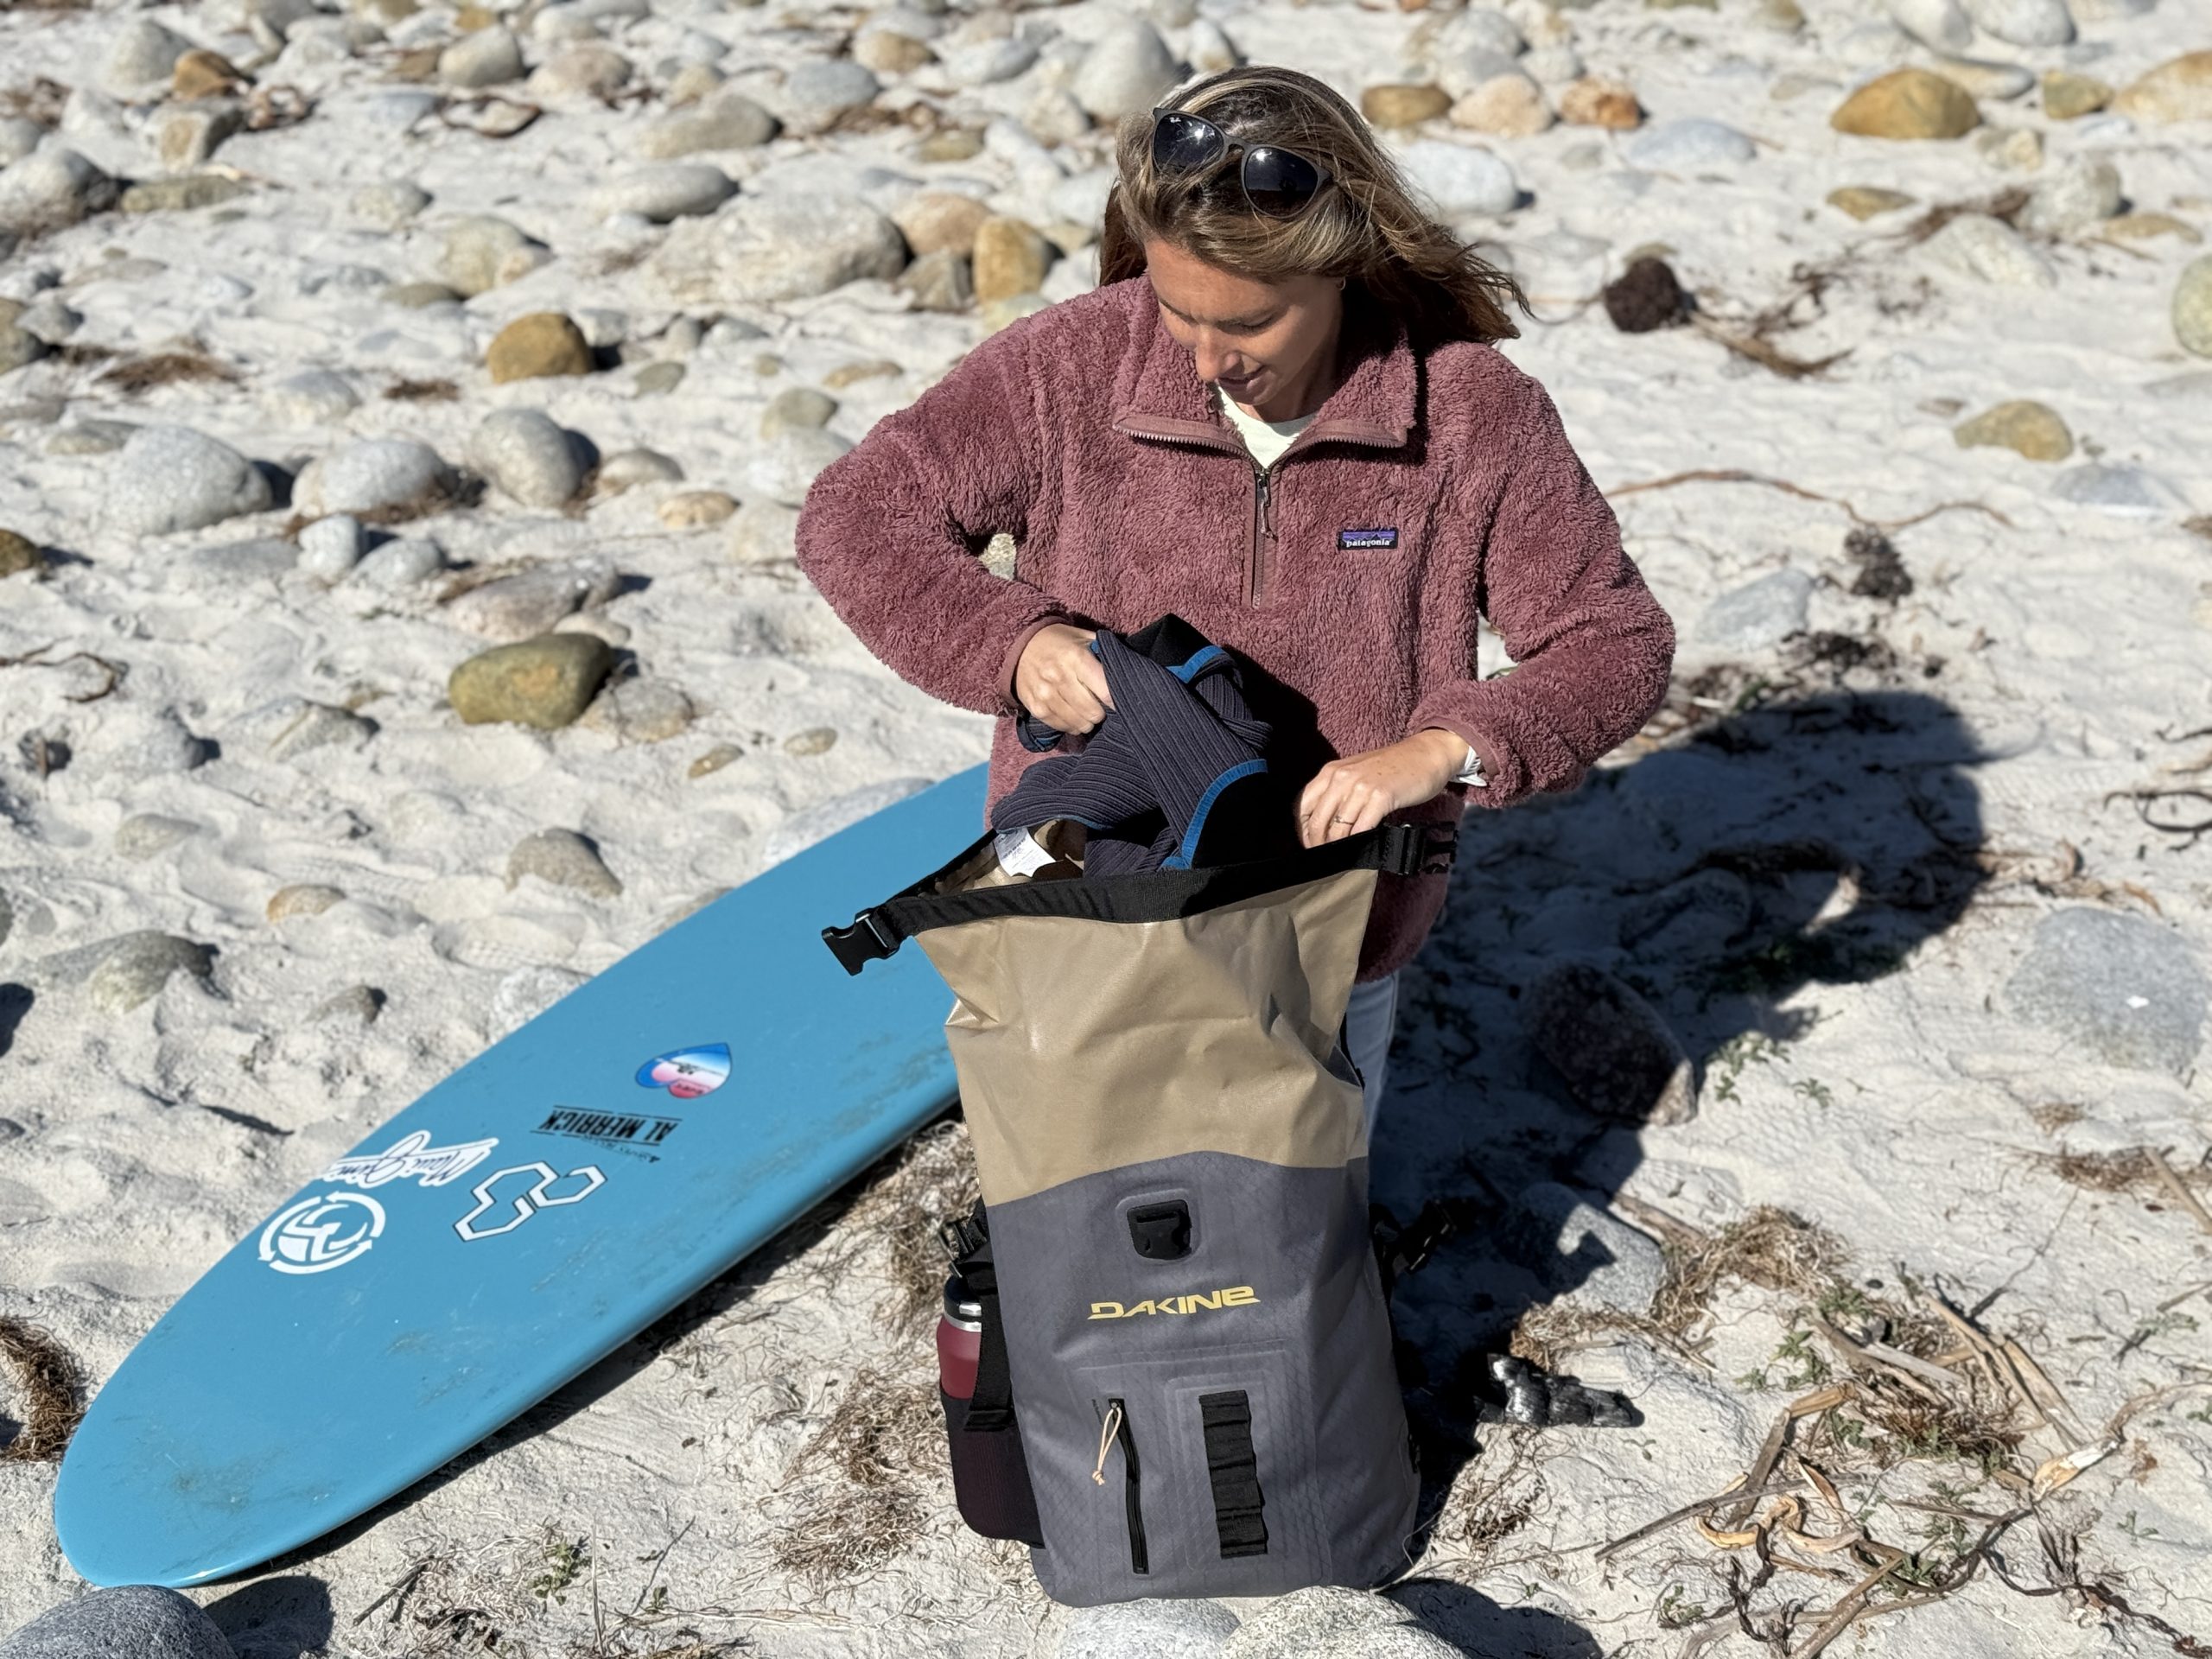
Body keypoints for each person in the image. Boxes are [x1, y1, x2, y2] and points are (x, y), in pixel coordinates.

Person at [796, 65, 1675, 1141]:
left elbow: (1614, 643)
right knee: (1072, 1224)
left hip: (1328, 933)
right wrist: (1013, 644)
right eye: (1176, 312)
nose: (1209, 362)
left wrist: (1443, 747)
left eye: (1250, 324)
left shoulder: (1473, 416)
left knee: (1286, 1252)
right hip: (1087, 908)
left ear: (1342, 266)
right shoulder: (1068, 363)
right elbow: (853, 517)